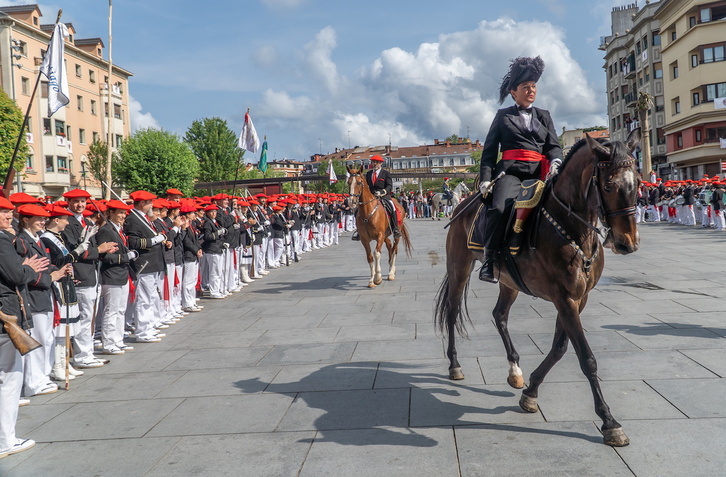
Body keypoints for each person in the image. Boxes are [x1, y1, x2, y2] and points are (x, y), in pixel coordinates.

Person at [478, 56, 563, 282]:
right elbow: (488, 152)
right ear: (513, 92)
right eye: (526, 87)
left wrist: (556, 161)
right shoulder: (503, 116)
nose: (531, 90)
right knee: (498, 208)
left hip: (540, 173)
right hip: (510, 172)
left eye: (533, 86)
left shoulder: (544, 116)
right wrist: (485, 179)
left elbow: (553, 145)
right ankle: (490, 260)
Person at [0, 195, 49, 459]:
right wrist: (27, 268)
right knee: (9, 379)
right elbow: (17, 275)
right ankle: (5, 440)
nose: (10, 217)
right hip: (4, 316)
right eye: (4, 212)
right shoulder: (1, 240)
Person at [95, 200, 138, 355]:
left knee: (120, 310)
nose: (122, 216)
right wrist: (126, 257)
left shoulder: (118, 229)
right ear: (110, 213)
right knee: (111, 311)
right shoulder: (106, 230)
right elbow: (104, 256)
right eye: (119, 212)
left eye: (123, 213)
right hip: (111, 275)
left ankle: (118, 340)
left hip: (122, 274)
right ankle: (108, 343)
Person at [352, 154, 400, 240]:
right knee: (357, 211)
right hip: (371, 196)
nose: (375, 164)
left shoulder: (385, 173)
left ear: (381, 163)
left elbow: (389, 186)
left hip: (383, 196)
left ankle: (395, 228)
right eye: (373, 162)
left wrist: (382, 192)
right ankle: (359, 231)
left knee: (392, 207)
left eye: (377, 162)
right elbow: (366, 186)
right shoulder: (369, 174)